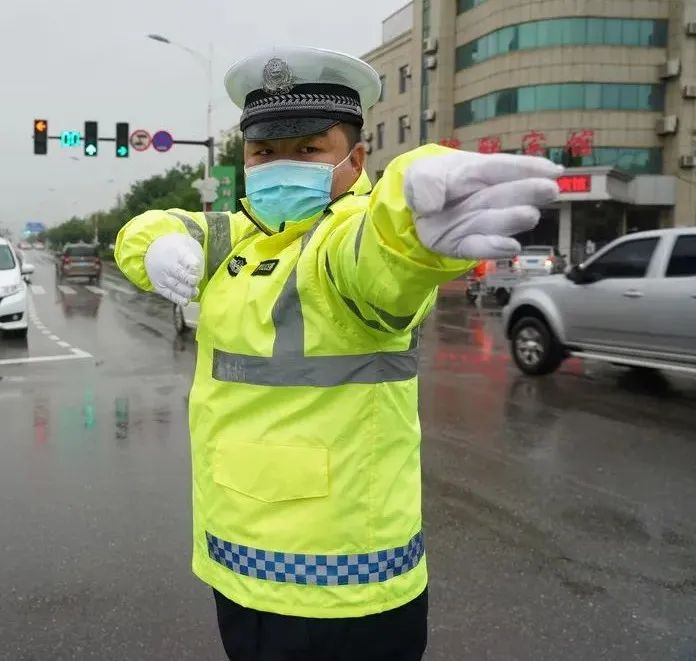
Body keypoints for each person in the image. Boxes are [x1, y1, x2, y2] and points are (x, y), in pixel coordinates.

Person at [115, 46, 561, 660]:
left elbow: (377, 256)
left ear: (355, 160)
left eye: (307, 150)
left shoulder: (342, 239)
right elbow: (164, 226)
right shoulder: (239, 238)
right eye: (264, 152)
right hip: (239, 569)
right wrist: (157, 243)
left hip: (346, 592)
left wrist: (409, 228)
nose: (280, 166)